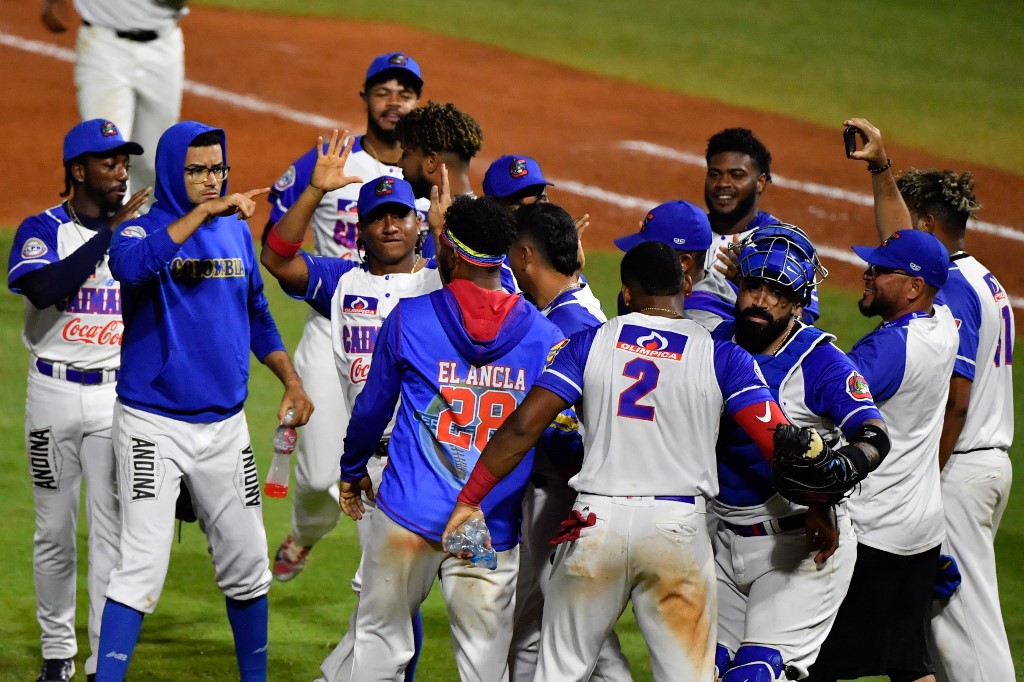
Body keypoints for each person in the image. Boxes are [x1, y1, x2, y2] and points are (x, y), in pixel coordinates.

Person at [446, 240, 810, 681]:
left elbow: (523, 428)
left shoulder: (591, 342)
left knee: (559, 672)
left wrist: (470, 499)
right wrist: (821, 502)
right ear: (687, 285)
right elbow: (782, 446)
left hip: (596, 524)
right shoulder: (722, 355)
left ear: (627, 293)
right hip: (678, 529)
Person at [95, 121, 313, 682]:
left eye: (218, 168)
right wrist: (201, 217)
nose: (211, 179)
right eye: (197, 170)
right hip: (151, 425)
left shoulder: (235, 234)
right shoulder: (138, 231)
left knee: (248, 566)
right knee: (140, 567)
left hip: (224, 429)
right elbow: (131, 270)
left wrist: (288, 377)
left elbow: (257, 314)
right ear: (172, 170)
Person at [336, 195, 564, 681]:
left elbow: (372, 409)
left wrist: (352, 470)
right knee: (484, 667)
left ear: (451, 252)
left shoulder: (410, 318)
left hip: (407, 516)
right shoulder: (544, 337)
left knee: (377, 648)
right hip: (487, 526)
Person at [259, 131, 440, 682]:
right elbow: (276, 255)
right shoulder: (342, 282)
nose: (390, 225)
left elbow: (499, 274)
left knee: (399, 595)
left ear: (417, 224)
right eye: (378, 217)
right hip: (369, 462)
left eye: (400, 216)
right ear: (359, 230)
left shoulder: (441, 282)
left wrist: (449, 219)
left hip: (429, 458)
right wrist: (313, 191)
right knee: (392, 597)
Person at [842, 117, 1016, 682]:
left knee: (967, 628)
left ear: (926, 227)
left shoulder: (955, 293)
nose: (894, 245)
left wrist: (926, 482)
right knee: (930, 634)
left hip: (957, 465)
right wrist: (880, 168)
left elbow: (956, 403)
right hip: (981, 461)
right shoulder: (980, 278)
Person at [264, 51, 429, 584]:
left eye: (406, 92)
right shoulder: (336, 164)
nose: (395, 101)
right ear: (365, 99)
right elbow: (278, 241)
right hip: (334, 324)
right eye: (384, 90)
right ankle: (305, 534)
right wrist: (316, 190)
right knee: (318, 480)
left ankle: (382, 588)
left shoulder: (428, 174)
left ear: (418, 102)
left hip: (408, 342)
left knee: (392, 475)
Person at [712, 224, 889, 681]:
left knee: (753, 676)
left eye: (778, 292)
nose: (761, 301)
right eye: (754, 286)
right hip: (718, 541)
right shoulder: (714, 345)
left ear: (797, 302)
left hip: (801, 548)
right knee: (695, 669)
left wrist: (838, 475)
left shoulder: (820, 362)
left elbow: (874, 435)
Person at [7, 119, 148, 682]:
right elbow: (41, 288)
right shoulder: (41, 228)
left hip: (117, 397)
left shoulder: (135, 233)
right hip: (53, 394)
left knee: (112, 533)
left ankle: (99, 663)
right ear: (77, 170)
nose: (121, 171)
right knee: (53, 532)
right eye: (109, 162)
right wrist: (109, 234)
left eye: (124, 161)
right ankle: (57, 654)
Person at [808, 229, 958, 682]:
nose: (867, 273)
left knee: (811, 663)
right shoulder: (944, 324)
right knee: (909, 664)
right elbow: (930, 264)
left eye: (882, 269)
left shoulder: (888, 349)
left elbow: (824, 395)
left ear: (914, 288)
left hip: (872, 534)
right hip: (922, 529)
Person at [503, 202, 630, 682]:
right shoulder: (565, 309)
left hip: (563, 493)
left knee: (568, 623)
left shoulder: (567, 326)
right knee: (540, 622)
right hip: (561, 490)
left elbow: (581, 428)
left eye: (512, 251)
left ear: (527, 254)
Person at [41, 0, 186, 198]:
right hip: (103, 46)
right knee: (107, 153)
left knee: (156, 160)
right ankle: (111, 226)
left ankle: (148, 226)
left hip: (164, 46)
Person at [702, 128, 820, 323]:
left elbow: (802, 320)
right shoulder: (688, 230)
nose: (723, 183)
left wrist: (747, 283)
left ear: (760, 182)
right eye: (715, 174)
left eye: (737, 175)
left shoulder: (784, 243)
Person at [614, 200, 734, 329]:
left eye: (649, 254)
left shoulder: (699, 324)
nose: (638, 258)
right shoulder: (719, 284)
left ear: (683, 262)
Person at [397, 101, 484, 201]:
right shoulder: (482, 215)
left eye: (405, 154)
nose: (399, 163)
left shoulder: (416, 214)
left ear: (431, 162)